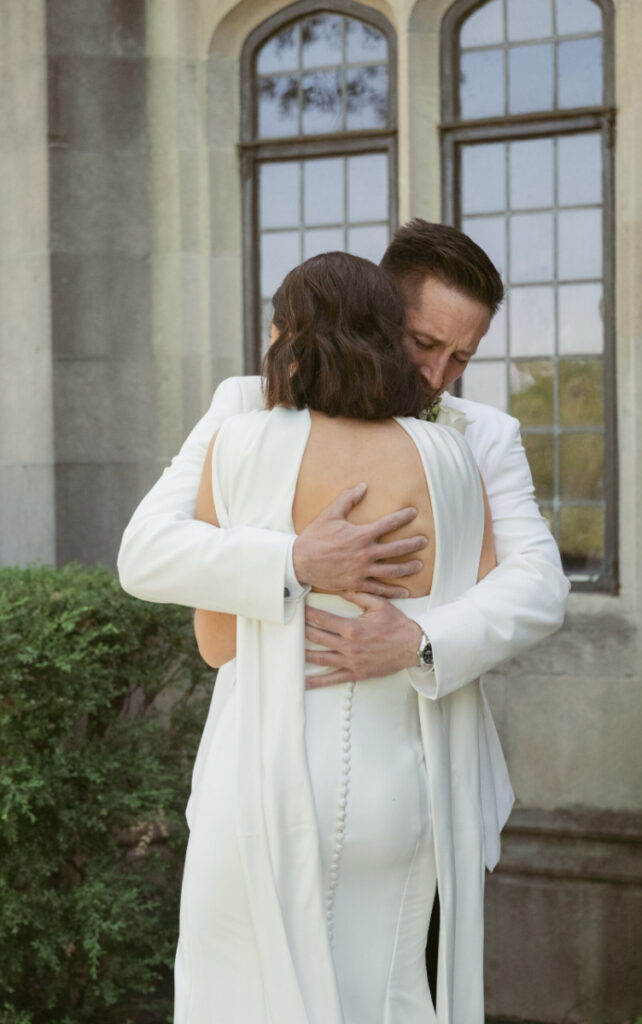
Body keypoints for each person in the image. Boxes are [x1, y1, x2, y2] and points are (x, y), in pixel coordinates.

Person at [174, 251, 498, 1023]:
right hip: (397, 785)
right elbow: (482, 599)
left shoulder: (241, 445)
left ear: (290, 335)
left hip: (256, 786)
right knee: (385, 996)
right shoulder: (450, 458)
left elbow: (218, 645)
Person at [117, 220, 569, 709]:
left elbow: (540, 583)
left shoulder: (485, 434)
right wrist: (296, 561)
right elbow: (146, 550)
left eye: (462, 357)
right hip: (273, 722)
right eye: (425, 343)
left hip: (430, 732)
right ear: (380, 314)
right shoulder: (247, 403)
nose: (438, 375)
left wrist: (420, 641)